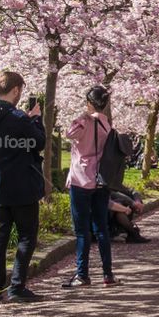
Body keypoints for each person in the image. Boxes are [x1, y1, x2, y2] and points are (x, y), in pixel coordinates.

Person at [0, 71, 46, 304]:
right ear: (16, 90)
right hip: (23, 186)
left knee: (0, 238)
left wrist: (26, 119)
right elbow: (38, 142)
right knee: (27, 236)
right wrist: (35, 119)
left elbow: (5, 134)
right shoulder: (20, 119)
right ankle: (17, 286)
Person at [62, 85, 117, 289]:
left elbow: (69, 133)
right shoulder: (106, 125)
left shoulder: (83, 123)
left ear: (88, 102)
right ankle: (107, 274)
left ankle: (82, 274)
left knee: (82, 230)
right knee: (101, 228)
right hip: (101, 181)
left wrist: (82, 116)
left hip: (81, 179)